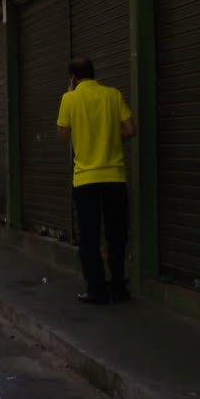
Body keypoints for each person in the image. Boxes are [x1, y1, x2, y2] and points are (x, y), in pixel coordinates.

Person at [57, 57, 136, 304]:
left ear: (73, 78)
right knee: (116, 234)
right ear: (93, 74)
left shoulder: (69, 98)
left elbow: (63, 135)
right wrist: (111, 137)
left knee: (89, 237)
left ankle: (97, 290)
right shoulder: (113, 95)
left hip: (86, 180)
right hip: (115, 177)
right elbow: (130, 129)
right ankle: (119, 288)